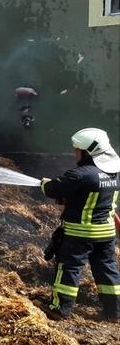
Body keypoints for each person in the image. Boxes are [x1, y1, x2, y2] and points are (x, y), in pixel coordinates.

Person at [40, 128, 120, 321]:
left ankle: (59, 309)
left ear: (87, 152)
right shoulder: (115, 172)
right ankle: (114, 312)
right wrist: (71, 199)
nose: (75, 153)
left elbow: (51, 189)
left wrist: (44, 183)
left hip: (80, 234)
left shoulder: (80, 174)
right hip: (106, 233)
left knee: (69, 268)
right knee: (107, 269)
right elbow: (93, 196)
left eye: (77, 150)